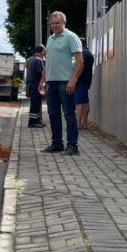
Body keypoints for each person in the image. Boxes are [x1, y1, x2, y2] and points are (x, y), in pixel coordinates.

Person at [39, 11, 83, 155]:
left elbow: (80, 61)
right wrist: (43, 80)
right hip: (51, 83)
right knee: (52, 114)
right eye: (52, 23)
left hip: (65, 82)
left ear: (64, 23)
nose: (55, 25)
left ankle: (72, 146)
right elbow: (49, 62)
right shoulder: (50, 39)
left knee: (69, 114)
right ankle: (57, 144)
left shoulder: (71, 37)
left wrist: (73, 79)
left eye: (58, 22)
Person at [76, 37, 94, 129]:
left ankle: (77, 124)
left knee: (79, 103)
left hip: (80, 81)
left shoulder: (81, 53)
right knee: (85, 102)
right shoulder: (89, 53)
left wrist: (74, 78)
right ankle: (85, 123)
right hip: (86, 81)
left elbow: (80, 66)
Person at [26, 45, 46, 128]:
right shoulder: (38, 60)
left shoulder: (30, 59)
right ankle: (33, 122)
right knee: (36, 104)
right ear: (42, 51)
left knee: (35, 103)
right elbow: (41, 73)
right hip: (36, 85)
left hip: (31, 84)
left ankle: (36, 121)